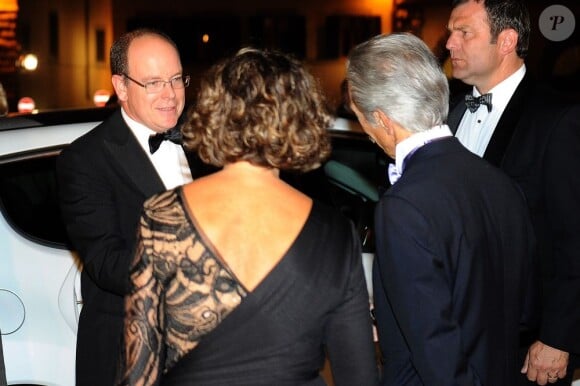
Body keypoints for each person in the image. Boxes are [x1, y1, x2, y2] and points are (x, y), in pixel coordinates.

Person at [116, 47, 379, 386]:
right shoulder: (335, 233)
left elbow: (139, 372)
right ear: (299, 119)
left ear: (215, 114)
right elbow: (358, 375)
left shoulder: (161, 216)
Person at [346, 32, 535, 385]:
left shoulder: (403, 205)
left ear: (384, 119)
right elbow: (521, 310)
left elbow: (435, 347)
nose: (366, 131)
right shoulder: (502, 184)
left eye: (361, 118)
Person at [57, 28, 212, 386]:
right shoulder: (85, 160)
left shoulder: (206, 140)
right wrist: (201, 266)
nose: (170, 94)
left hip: (210, 355)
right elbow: (107, 262)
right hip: (131, 358)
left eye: (176, 79)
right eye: (154, 82)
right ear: (121, 87)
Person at [446, 0, 580, 384]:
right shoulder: (451, 109)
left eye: (463, 32)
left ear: (506, 41)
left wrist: (558, 337)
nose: (450, 44)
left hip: (523, 340)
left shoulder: (557, 118)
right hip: (455, 329)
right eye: (451, 33)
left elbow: (573, 239)